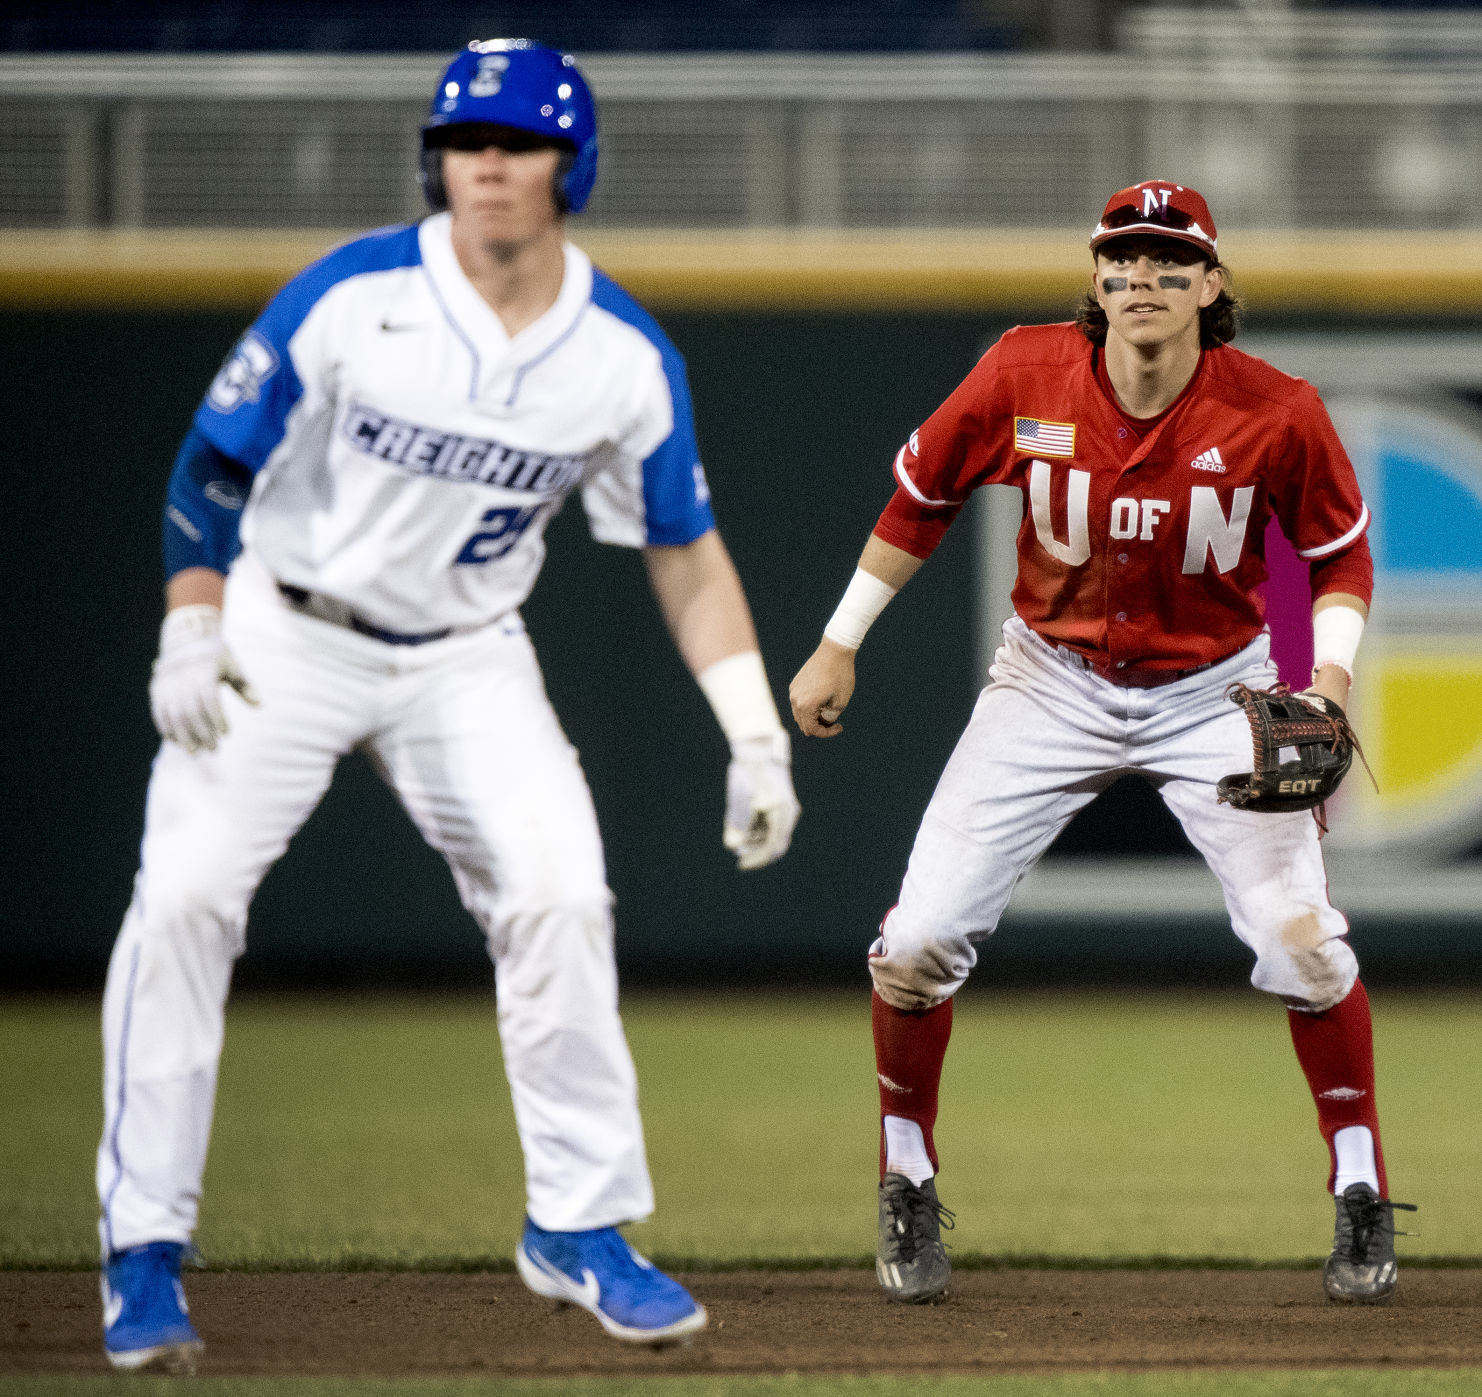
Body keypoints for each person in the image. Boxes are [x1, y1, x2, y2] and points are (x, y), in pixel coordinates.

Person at [97, 38, 800, 1372]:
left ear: (568, 167)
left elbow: (683, 548)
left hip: (465, 652)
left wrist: (752, 730)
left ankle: (579, 1228)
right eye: (464, 141)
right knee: (184, 897)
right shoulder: (352, 296)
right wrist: (193, 612)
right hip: (284, 628)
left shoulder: (621, 356)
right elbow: (208, 462)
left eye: (515, 142)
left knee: (557, 895)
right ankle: (141, 1252)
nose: (485, 164)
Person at [790, 180, 1411, 1308]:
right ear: (1095, 278)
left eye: (1171, 262)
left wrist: (1324, 675)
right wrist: (838, 642)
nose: (1143, 279)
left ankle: (1361, 1187)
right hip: (1049, 678)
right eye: (1122, 260)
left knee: (1304, 939)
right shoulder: (1024, 374)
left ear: (1211, 288)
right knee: (919, 938)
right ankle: (906, 1171)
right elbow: (920, 495)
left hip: (1215, 684)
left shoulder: (1276, 407)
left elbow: (1339, 555)